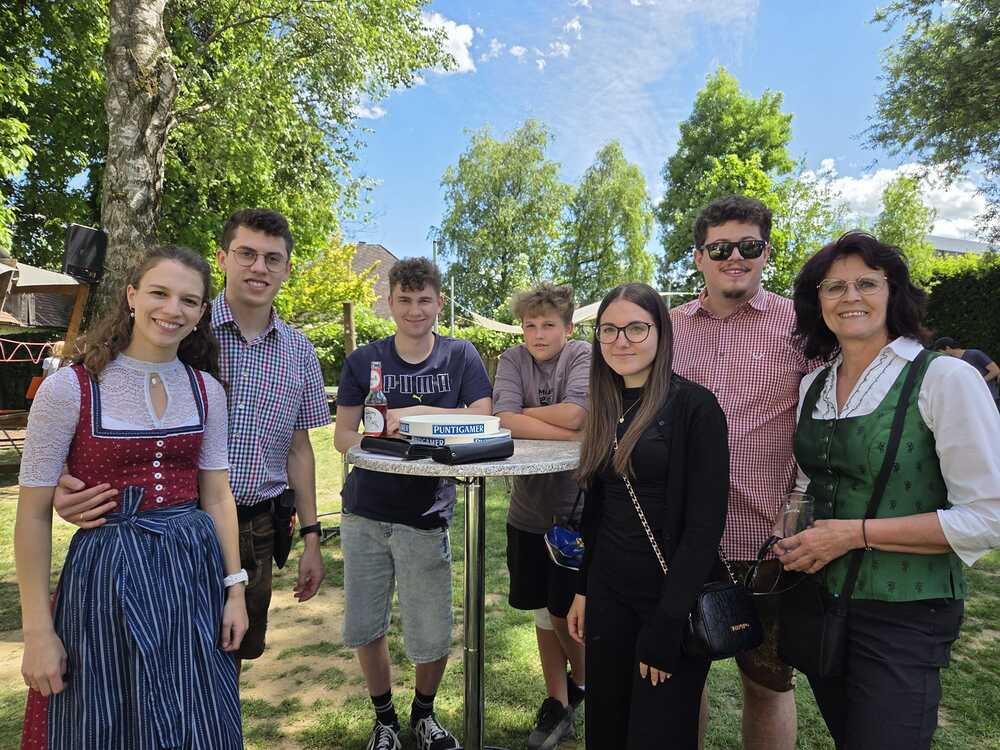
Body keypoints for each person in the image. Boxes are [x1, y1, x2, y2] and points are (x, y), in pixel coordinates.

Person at [49, 208, 331, 671]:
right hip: (176, 525)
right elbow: (102, 394)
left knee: (229, 656)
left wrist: (312, 537)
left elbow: (300, 450)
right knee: (159, 658)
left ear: (287, 268)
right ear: (222, 258)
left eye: (272, 259)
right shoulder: (175, 325)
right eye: (246, 254)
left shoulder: (299, 351)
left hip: (258, 525)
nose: (258, 268)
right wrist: (63, 477)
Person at [15, 245, 247, 749]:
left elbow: (217, 497)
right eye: (159, 293)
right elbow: (31, 515)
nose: (172, 309)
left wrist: (235, 591)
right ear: (131, 296)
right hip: (104, 578)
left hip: (193, 577)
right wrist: (37, 631)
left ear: (201, 313)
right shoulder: (69, 389)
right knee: (103, 718)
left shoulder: (208, 390)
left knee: (196, 715)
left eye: (189, 300)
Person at [777, 231, 1000, 750]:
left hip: (907, 612)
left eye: (866, 283)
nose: (850, 297)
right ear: (817, 302)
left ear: (893, 291)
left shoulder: (944, 378)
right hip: (824, 602)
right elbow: (811, 480)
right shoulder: (814, 384)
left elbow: (987, 518)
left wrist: (853, 535)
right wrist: (796, 527)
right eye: (834, 287)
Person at [669, 194, 812, 750]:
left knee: (768, 684)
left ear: (766, 253)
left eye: (748, 246)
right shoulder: (669, 328)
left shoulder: (801, 325)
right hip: (682, 538)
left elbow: (827, 417)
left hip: (769, 543)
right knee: (684, 680)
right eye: (720, 248)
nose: (735, 257)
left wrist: (800, 512)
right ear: (698, 257)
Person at [333, 257, 493, 750]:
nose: (415, 310)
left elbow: (482, 418)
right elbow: (342, 437)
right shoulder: (365, 360)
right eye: (404, 300)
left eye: (424, 300)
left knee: (431, 628)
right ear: (389, 303)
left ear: (439, 302)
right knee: (366, 624)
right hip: (365, 511)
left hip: (425, 515)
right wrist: (382, 439)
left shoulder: (460, 356)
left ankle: (424, 715)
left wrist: (413, 414)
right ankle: (384, 720)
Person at [566, 282, 729, 750]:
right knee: (607, 728)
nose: (621, 340)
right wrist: (583, 587)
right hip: (608, 595)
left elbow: (704, 528)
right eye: (609, 330)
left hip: (668, 599)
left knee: (659, 734)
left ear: (661, 333)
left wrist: (667, 623)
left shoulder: (695, 407)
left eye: (636, 328)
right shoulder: (606, 404)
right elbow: (596, 511)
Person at [492, 281, 590, 749]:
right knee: (541, 612)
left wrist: (528, 416)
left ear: (568, 328)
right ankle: (558, 702)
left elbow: (578, 415)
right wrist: (566, 430)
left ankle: (585, 682)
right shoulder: (512, 359)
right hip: (527, 510)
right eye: (530, 325)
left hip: (576, 511)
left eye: (548, 324)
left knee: (567, 611)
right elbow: (502, 418)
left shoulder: (583, 355)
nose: (538, 334)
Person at [931, 336, 1000, 407]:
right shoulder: (953, 361)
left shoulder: (975, 354)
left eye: (940, 351)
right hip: (974, 400)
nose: (940, 355)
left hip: (990, 397)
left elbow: (995, 371)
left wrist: (978, 381)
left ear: (947, 348)